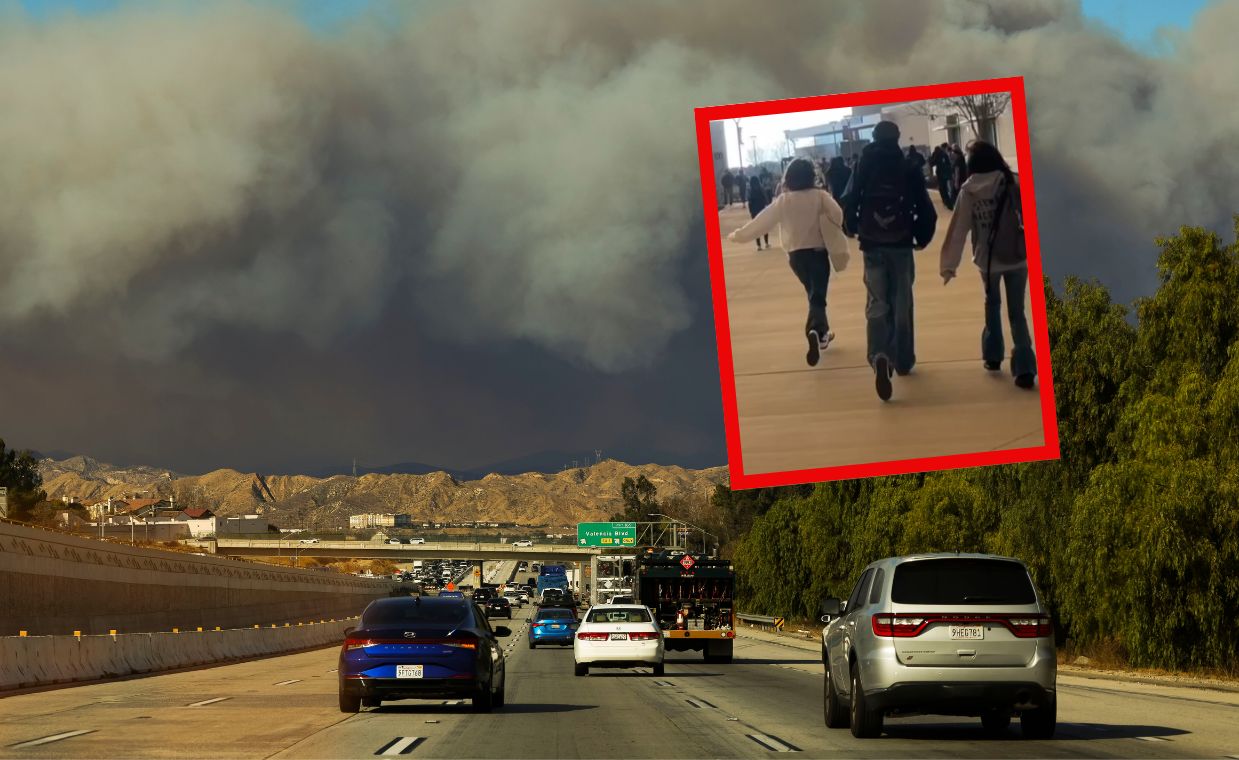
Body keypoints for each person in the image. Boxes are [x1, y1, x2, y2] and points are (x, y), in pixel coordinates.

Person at [842, 120, 937, 401]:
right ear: (897, 138)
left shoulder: (864, 164)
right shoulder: (908, 166)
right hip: (901, 242)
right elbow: (924, 205)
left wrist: (853, 228)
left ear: (873, 137)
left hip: (872, 243)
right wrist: (922, 236)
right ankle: (904, 359)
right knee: (902, 301)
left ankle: (878, 354)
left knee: (876, 301)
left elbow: (849, 198)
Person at [728, 158, 851, 366]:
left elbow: (761, 222)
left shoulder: (783, 201)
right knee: (818, 296)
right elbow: (838, 214)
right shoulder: (820, 196)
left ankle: (822, 334)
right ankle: (813, 330)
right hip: (818, 252)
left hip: (796, 256)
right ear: (812, 176)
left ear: (789, 178)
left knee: (814, 294)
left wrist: (738, 236)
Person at [939, 141, 1036, 389]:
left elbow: (959, 229)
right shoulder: (1013, 181)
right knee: (1017, 312)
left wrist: (949, 265)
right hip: (1018, 257)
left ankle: (993, 357)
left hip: (988, 260)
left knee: (992, 304)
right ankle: (1024, 367)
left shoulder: (969, 191)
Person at [747, 175, 771, 250]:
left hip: (754, 211)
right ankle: (766, 243)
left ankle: (758, 245)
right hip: (762, 210)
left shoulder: (750, 190)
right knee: (764, 227)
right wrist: (767, 205)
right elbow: (766, 198)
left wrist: (750, 211)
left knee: (756, 228)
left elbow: (749, 201)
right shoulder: (761, 189)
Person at [930, 143, 954, 209]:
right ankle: (948, 203)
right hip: (943, 174)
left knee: (943, 189)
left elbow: (932, 163)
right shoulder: (942, 154)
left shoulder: (941, 154)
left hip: (941, 174)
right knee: (944, 189)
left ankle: (947, 203)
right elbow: (948, 164)